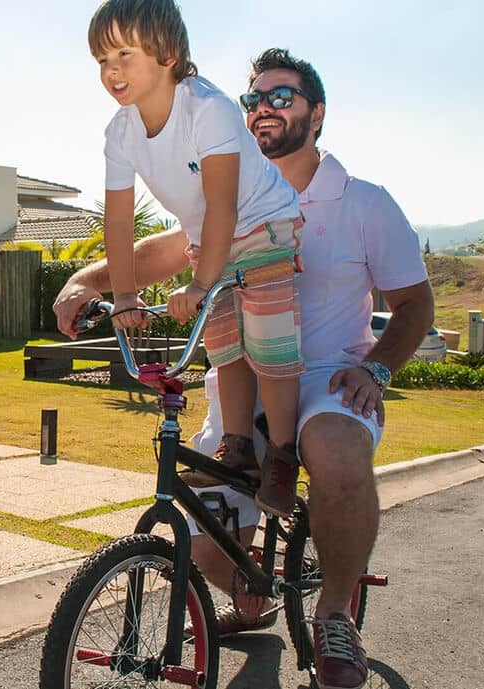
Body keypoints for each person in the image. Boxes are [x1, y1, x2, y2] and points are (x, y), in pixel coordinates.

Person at [54, 47, 435, 689]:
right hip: (240, 388)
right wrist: (85, 280)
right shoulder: (223, 193)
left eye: (281, 97)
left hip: (330, 379)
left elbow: (415, 305)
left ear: (317, 113)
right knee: (204, 540)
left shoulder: (364, 202)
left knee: (336, 450)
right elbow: (156, 253)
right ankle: (252, 595)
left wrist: (376, 370)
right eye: (253, 99)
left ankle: (334, 613)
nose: (263, 109)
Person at [88, 0, 307, 519]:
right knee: (225, 346)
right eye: (101, 60)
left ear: (167, 55)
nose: (111, 70)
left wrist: (201, 283)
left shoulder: (207, 108)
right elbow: (118, 222)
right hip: (209, 238)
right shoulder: (120, 133)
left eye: (123, 54)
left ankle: (281, 454)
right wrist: (125, 295)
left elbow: (224, 204)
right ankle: (237, 444)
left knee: (269, 344)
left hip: (262, 224)